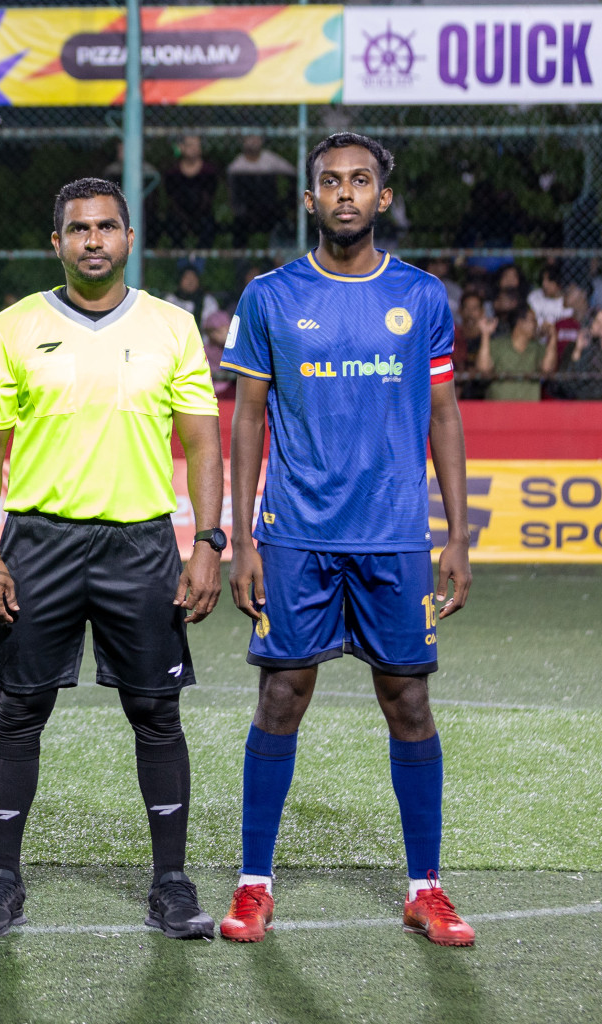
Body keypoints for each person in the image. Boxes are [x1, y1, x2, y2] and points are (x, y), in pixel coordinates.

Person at [218, 132, 476, 947]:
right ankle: (255, 883)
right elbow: (248, 418)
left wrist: (457, 536)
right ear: (309, 199)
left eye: (360, 180)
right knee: (282, 696)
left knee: (409, 702)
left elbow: (443, 416)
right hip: (295, 534)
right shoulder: (268, 296)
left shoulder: (424, 298)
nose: (344, 193)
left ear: (383, 198)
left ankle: (425, 888)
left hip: (395, 535)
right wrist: (243, 539)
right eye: (329, 181)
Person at [0, 176, 223, 941]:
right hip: (37, 542)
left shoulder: (172, 327)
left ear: (128, 239)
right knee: (19, 711)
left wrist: (208, 540)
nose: (93, 240)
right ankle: (3, 880)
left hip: (139, 542)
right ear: (57, 243)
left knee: (155, 713)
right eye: (78, 229)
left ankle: (171, 883)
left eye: (107, 227)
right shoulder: (14, 326)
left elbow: (202, 439)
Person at [226, 134, 297, 246]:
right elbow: (234, 195)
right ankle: (242, 261)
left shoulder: (270, 160)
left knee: (286, 225)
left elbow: (294, 174)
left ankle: (279, 257)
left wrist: (286, 201)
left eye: (257, 138)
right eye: (250, 137)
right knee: (238, 227)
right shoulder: (237, 166)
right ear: (243, 141)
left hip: (270, 209)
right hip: (247, 212)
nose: (254, 141)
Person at [477, 308, 555, 401]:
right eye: (533, 320)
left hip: (530, 409)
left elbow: (547, 368)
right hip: (499, 409)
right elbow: (483, 368)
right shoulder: (497, 345)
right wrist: (485, 334)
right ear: (520, 322)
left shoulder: (537, 347)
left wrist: (553, 336)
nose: (536, 324)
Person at [163, 135, 218, 248]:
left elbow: (209, 198)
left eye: (197, 145)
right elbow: (171, 198)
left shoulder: (209, 171)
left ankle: (199, 261)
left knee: (208, 225)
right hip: (179, 213)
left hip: (203, 213)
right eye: (190, 145)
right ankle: (181, 260)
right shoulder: (173, 172)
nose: (194, 148)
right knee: (173, 223)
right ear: (181, 147)